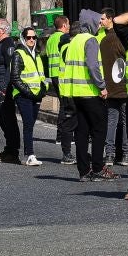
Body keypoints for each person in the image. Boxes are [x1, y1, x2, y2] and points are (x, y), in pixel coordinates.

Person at [61, 9, 108, 181]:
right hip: (90, 93)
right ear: (92, 24)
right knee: (99, 130)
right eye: (98, 22)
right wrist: (102, 86)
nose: (100, 24)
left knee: (81, 132)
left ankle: (83, 171)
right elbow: (93, 66)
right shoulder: (91, 40)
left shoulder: (74, 41)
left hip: (75, 94)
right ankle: (97, 169)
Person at [11, 26, 49, 166]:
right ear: (23, 38)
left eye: (34, 37)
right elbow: (15, 77)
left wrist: (43, 89)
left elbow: (41, 75)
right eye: (28, 37)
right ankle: (30, 155)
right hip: (23, 95)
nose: (32, 40)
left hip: (36, 95)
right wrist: (27, 92)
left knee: (31, 125)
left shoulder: (37, 54)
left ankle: (28, 153)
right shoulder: (18, 53)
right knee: (28, 124)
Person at [0, 19, 22, 164]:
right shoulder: (1, 44)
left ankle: (13, 153)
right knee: (4, 122)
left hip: (3, 91)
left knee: (9, 121)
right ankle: (9, 149)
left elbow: (11, 67)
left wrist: (3, 88)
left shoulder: (8, 44)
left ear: (2, 30)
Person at [99, 8, 128, 171]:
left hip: (109, 88)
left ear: (111, 19)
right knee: (125, 122)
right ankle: (124, 154)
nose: (101, 21)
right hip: (123, 86)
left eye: (103, 19)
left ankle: (109, 154)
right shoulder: (121, 39)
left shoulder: (103, 41)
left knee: (112, 122)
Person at [45, 16, 76, 164]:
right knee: (65, 106)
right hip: (61, 73)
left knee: (62, 105)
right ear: (64, 25)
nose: (69, 26)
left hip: (53, 74)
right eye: (68, 24)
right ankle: (61, 134)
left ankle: (59, 135)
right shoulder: (63, 37)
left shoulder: (51, 38)